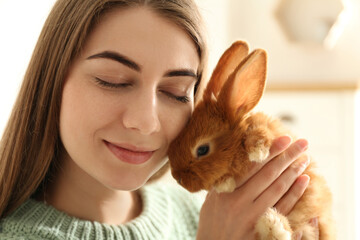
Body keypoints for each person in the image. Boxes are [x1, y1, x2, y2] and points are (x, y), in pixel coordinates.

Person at [0, 0, 318, 239]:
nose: (146, 122)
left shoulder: (205, 212)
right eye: (114, 81)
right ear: (52, 79)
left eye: (176, 91)